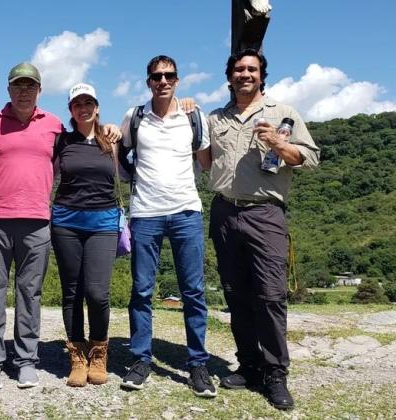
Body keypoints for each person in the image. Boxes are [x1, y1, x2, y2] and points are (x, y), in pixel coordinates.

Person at [207, 48, 319, 410]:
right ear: (230, 76)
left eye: (252, 69)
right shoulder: (216, 117)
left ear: (261, 75)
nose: (245, 74)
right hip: (225, 212)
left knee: (270, 297)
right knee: (236, 295)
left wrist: (279, 144)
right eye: (239, 69)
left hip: (265, 214)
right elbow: (202, 155)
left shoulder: (283, 113)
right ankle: (250, 365)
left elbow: (311, 159)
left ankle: (276, 374)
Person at [117, 55, 216, 398]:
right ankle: (141, 359)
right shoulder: (136, 116)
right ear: (148, 81)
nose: (163, 80)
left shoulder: (193, 115)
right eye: (157, 76)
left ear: (177, 79)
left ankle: (198, 364)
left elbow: (205, 161)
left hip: (186, 211)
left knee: (193, 291)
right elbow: (121, 157)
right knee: (142, 291)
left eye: (169, 75)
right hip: (145, 213)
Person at [0, 62, 63, 390]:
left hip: (38, 221)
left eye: (30, 86)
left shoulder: (53, 125)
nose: (24, 92)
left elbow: (64, 161)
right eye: (18, 85)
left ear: (39, 89)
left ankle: (26, 360)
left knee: (29, 293)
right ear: (8, 89)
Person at [50, 83, 119, 387]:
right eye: (77, 103)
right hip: (66, 222)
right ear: (71, 110)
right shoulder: (62, 141)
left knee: (97, 293)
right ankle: (77, 355)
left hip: (104, 223)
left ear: (97, 107)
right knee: (72, 292)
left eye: (89, 102)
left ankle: (99, 351)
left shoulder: (112, 140)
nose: (84, 107)